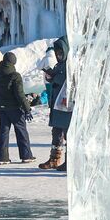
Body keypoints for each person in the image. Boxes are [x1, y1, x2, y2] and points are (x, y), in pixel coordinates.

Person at [0, 52, 35, 164]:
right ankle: (26, 156)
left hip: (2, 108)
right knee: (21, 131)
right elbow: (19, 94)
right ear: (13, 62)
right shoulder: (15, 76)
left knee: (3, 132)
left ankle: (2, 158)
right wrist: (27, 109)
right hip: (14, 108)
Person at [40, 38, 71, 170]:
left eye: (60, 53)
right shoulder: (60, 65)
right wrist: (51, 76)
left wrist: (54, 77)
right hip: (57, 105)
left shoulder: (71, 65)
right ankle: (54, 158)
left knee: (68, 133)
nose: (58, 56)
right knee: (56, 132)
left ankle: (69, 161)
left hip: (66, 106)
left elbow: (67, 81)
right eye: (57, 53)